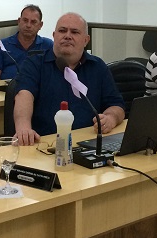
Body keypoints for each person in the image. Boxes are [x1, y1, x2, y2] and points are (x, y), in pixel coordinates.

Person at [13, 12, 125, 146]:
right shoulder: (34, 64)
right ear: (54, 36)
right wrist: (24, 128)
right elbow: (24, 96)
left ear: (86, 40)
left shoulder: (98, 67)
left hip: (88, 143)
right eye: (62, 31)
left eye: (74, 32)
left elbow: (116, 105)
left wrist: (111, 118)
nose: (67, 36)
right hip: (45, 145)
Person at [0, 4, 53, 81]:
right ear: (19, 21)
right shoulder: (2, 45)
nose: (28, 25)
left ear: (40, 25)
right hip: (8, 87)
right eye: (25, 20)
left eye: (33, 22)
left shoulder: (48, 45)